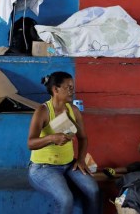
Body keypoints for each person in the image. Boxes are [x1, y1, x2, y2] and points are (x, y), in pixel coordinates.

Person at [27, 71, 101, 214]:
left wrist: (80, 159)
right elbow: (30, 143)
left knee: (94, 190)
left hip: (68, 165)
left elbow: (83, 138)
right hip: (43, 168)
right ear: (56, 89)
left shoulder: (73, 109)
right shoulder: (43, 111)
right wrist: (51, 138)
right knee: (66, 199)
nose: (72, 91)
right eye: (69, 87)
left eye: (72, 87)